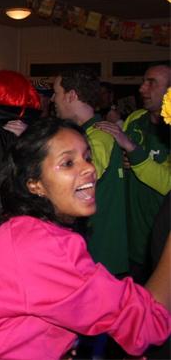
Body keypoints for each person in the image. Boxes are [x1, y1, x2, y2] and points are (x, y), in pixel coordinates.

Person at [0, 118, 171, 359]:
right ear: (35, 185)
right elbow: (147, 323)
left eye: (87, 157)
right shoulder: (42, 245)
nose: (90, 169)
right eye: (68, 163)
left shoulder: (8, 221)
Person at [95, 64, 171, 282]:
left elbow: (168, 184)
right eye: (143, 81)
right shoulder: (136, 118)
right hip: (129, 238)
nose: (142, 88)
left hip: (159, 241)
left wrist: (133, 151)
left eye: (151, 83)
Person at [51, 69, 129, 277]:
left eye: (56, 93)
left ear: (71, 95)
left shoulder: (100, 134)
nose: (53, 99)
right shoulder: (85, 133)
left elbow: (79, 177)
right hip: (95, 253)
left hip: (101, 255)